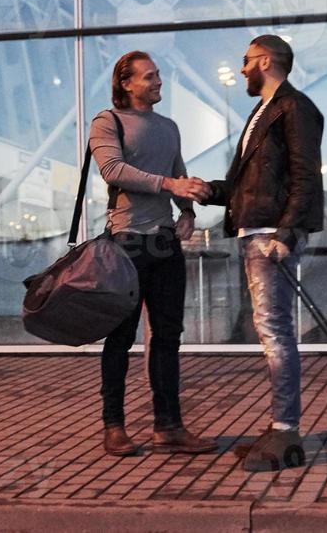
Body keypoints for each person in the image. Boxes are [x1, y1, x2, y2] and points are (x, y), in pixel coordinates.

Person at [203, 34, 325, 472]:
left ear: (267, 60)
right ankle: (278, 426)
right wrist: (208, 192)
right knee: (270, 329)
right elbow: (247, 185)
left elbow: (305, 176)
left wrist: (287, 233)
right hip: (256, 230)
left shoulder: (294, 107)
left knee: (276, 331)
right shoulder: (263, 111)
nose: (241, 70)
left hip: (271, 235)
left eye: (247, 61)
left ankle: (287, 429)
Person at [90, 51, 217, 458]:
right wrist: (171, 186)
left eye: (159, 74)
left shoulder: (169, 127)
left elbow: (179, 176)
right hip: (125, 243)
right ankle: (114, 426)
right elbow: (113, 171)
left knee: (167, 339)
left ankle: (169, 427)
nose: (158, 81)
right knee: (121, 337)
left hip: (165, 244)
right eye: (150, 76)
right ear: (126, 83)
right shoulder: (107, 121)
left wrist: (187, 212)